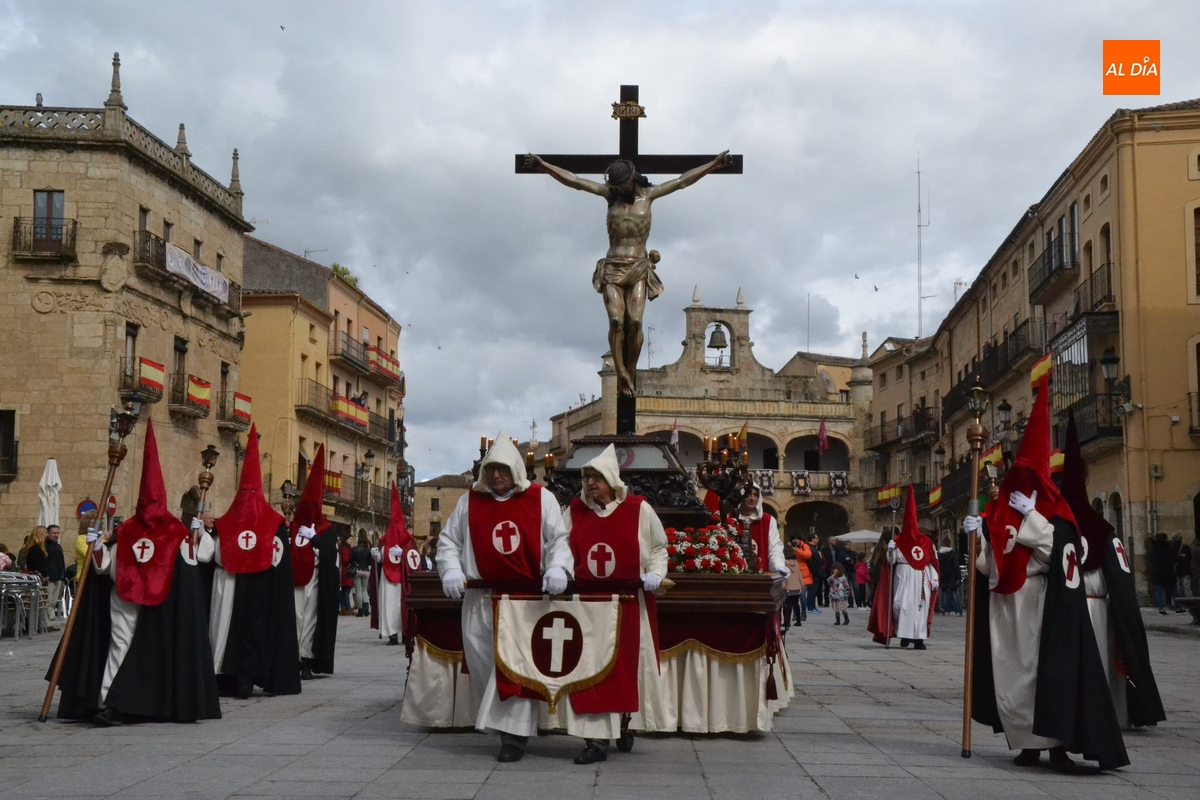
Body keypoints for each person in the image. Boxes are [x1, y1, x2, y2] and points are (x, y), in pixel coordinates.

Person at [964, 378, 1128, 772]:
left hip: (1043, 607)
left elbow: (1062, 550)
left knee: (1043, 675)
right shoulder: (999, 513)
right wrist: (978, 538)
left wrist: (1034, 516)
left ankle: (1055, 745)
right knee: (1012, 679)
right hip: (1006, 609)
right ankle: (1025, 745)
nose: (1018, 485)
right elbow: (989, 567)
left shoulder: (1057, 515)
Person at [525, 151, 732, 395]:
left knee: (634, 322)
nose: (619, 190)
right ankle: (621, 373)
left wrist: (713, 165)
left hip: (637, 266)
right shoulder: (609, 196)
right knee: (616, 321)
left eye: (623, 185)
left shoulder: (649, 195)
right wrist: (543, 165)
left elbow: (682, 180)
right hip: (613, 267)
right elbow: (575, 181)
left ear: (633, 179)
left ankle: (629, 371)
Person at [436, 432, 573, 763]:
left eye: (503, 468)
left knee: (516, 667)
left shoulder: (542, 499)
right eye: (491, 468)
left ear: (516, 469)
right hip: (481, 598)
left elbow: (558, 540)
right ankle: (508, 728)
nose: (497, 475)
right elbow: (448, 541)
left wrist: (558, 569)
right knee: (485, 665)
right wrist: (451, 571)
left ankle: (514, 735)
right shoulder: (470, 501)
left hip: (525, 601)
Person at [77, 420, 222, 725]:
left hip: (157, 603)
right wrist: (97, 545)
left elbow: (195, 562)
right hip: (127, 597)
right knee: (120, 645)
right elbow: (104, 567)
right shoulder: (131, 531)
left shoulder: (165, 531)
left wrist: (198, 536)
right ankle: (109, 701)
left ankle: (135, 701)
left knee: (136, 649)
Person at [557, 444, 666, 765]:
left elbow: (659, 548)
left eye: (597, 477)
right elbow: (560, 547)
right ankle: (594, 740)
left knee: (626, 670)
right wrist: (559, 570)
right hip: (587, 605)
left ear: (611, 480)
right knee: (589, 670)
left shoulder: (638, 508)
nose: (590, 482)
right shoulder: (575, 511)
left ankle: (623, 723)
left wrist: (655, 573)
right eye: (587, 477)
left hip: (630, 603)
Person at [1058, 411, 1165, 730]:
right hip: (1102, 605)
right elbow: (1120, 576)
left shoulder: (1055, 527)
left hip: (1070, 609)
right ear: (1088, 483)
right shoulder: (1104, 529)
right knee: (1105, 665)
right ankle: (1111, 718)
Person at [208, 424, 301, 698]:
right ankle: (231, 677)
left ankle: (247, 678)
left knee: (251, 633)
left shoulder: (273, 524)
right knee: (228, 632)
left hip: (257, 590)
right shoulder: (240, 523)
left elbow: (278, 558)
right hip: (233, 588)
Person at [292, 445, 342, 679]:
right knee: (295, 618)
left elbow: (332, 557)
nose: (310, 511)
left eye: (314, 507)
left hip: (315, 580)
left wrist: (318, 541)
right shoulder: (291, 527)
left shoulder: (327, 529)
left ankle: (306, 659)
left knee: (311, 620)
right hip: (294, 581)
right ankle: (291, 657)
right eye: (306, 506)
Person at [869, 487, 938, 649]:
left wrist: (934, 577)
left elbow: (931, 561)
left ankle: (919, 639)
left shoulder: (926, 542)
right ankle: (904, 635)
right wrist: (891, 550)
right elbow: (891, 562)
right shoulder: (898, 542)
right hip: (903, 579)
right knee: (901, 606)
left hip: (921, 578)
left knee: (920, 608)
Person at [371, 483, 420, 646]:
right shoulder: (384, 541)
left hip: (402, 581)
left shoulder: (408, 541)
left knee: (402, 607)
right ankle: (392, 634)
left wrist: (404, 554)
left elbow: (415, 559)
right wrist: (376, 555)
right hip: (386, 579)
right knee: (388, 607)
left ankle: (406, 633)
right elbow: (380, 559)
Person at [736, 484, 789, 578]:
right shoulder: (730, 518)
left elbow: (775, 547)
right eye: (748, 494)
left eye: (755, 494)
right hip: (735, 576)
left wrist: (778, 565)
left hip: (762, 576)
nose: (752, 498)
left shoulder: (768, 520)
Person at [24, 526, 63, 632]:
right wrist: (46, 574)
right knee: (43, 601)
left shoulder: (39, 547)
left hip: (49, 576)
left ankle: (42, 623)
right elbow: (40, 564)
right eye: (45, 532)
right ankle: (43, 624)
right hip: (40, 577)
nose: (47, 534)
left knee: (44, 601)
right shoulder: (36, 548)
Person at [1145, 533, 1174, 615]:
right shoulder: (1167, 548)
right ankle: (1176, 606)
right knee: (1173, 589)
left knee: (1158, 591)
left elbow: (1150, 560)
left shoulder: (1152, 549)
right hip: (1167, 571)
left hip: (1156, 572)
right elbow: (1170, 559)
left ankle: (1161, 609)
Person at [938, 538, 962, 615]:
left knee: (944, 593)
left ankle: (946, 610)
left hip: (942, 576)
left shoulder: (939, 554)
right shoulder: (952, 553)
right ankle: (958, 610)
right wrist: (958, 578)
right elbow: (956, 566)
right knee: (954, 593)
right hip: (952, 577)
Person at [351, 534, 373, 617]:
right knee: (364, 590)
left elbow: (350, 560)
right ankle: (366, 608)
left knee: (358, 591)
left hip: (357, 570)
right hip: (366, 571)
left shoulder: (354, 549)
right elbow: (370, 562)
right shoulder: (368, 551)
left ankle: (360, 610)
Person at [783, 547, 804, 631]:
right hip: (797, 586)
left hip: (788, 587)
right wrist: (802, 585)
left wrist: (783, 586)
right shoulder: (796, 563)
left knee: (788, 605)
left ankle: (787, 622)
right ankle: (798, 621)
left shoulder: (784, 563)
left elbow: (784, 576)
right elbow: (799, 575)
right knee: (796, 604)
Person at [805, 533, 824, 614]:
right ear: (812, 539)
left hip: (813, 572)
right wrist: (816, 572)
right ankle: (811, 607)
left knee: (812, 590)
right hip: (813, 573)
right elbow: (813, 562)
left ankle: (811, 606)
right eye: (816, 538)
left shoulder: (811, 547)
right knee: (812, 591)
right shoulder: (812, 548)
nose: (818, 539)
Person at [834, 540, 857, 607]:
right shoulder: (842, 553)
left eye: (850, 545)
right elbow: (839, 562)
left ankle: (859, 603)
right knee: (848, 587)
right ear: (845, 546)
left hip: (852, 571)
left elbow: (855, 561)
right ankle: (850, 603)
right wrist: (845, 560)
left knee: (856, 587)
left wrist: (851, 560)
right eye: (848, 545)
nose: (850, 546)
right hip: (845, 571)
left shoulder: (854, 553)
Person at [1172, 535, 1192, 609]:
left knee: (1177, 587)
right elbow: (1190, 558)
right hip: (1185, 570)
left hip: (1176, 570)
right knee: (1187, 587)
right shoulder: (1186, 547)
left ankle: (1176, 603)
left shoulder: (1171, 548)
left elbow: (1171, 560)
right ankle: (1190, 602)